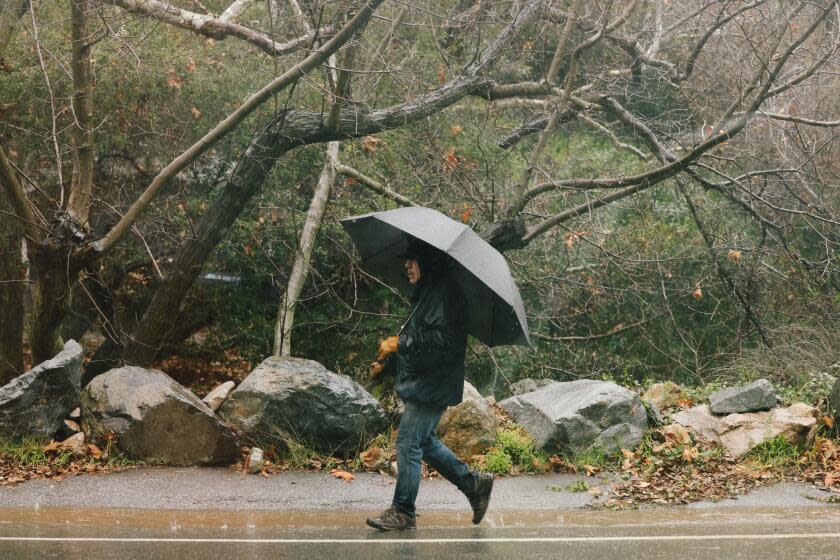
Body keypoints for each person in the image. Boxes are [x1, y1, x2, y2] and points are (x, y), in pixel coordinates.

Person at [366, 240, 494, 531]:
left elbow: (441, 345)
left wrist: (401, 343)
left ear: (427, 261)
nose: (406, 266)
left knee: (408, 442)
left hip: (434, 382)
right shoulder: (429, 292)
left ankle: (403, 511)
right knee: (423, 441)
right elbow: (419, 344)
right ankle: (474, 485)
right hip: (427, 380)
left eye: (412, 260)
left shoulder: (445, 294)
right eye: (407, 261)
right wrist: (388, 365)